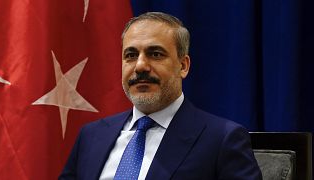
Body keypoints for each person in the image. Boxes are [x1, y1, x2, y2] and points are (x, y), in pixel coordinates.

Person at [59, 12, 262, 180]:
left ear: (183, 66)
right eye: (130, 55)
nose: (140, 66)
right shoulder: (91, 136)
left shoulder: (222, 139)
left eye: (155, 54)